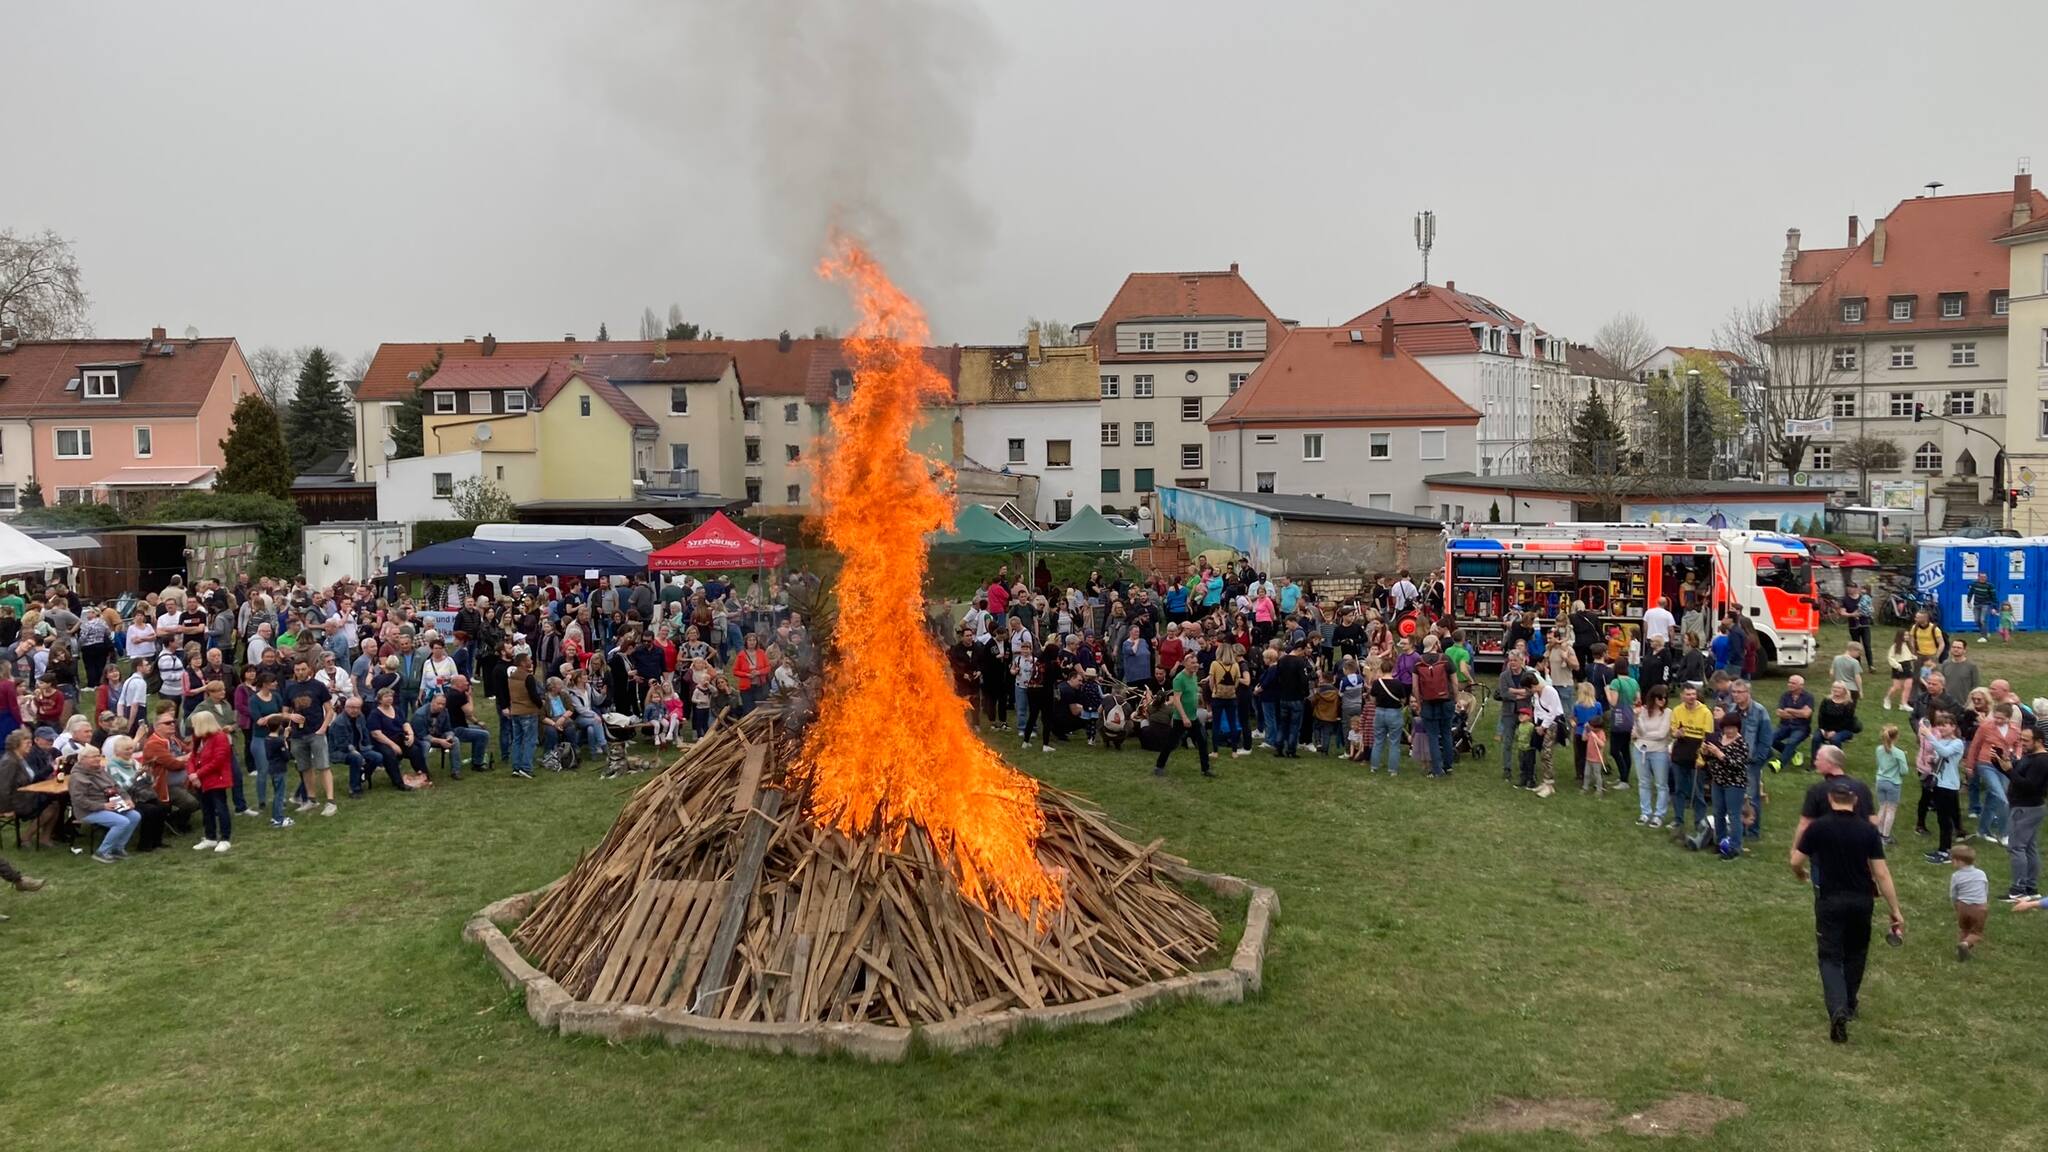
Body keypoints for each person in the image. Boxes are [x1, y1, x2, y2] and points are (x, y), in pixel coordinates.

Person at [1791, 777, 1903, 1044]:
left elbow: (1796, 859)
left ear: (1831, 800)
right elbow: (1881, 872)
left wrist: (1800, 873)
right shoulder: (1867, 831)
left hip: (1830, 900)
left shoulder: (1819, 827)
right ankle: (1850, 1004)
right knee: (1856, 953)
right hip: (1861, 901)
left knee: (1830, 958)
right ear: (1854, 802)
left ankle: (1837, 1007)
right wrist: (1895, 909)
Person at [69, 745, 141, 863]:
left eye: (99, 755)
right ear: (82, 759)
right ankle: (102, 851)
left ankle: (117, 848)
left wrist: (127, 799)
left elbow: (116, 786)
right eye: (94, 757)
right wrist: (103, 806)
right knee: (121, 822)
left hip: (110, 805)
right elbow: (79, 800)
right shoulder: (78, 777)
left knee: (134, 816)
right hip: (88, 810)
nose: (98, 759)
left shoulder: (100, 770)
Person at [283, 656, 336, 817]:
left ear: (309, 670)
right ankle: (311, 799)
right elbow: (284, 711)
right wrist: (290, 718)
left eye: (303, 669)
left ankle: (330, 801)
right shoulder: (290, 688)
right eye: (297, 670)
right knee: (305, 767)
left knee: (323, 766)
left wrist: (323, 728)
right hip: (298, 734)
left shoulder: (318, 686)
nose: (300, 672)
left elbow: (329, 709)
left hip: (316, 732)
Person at [2004, 720, 2048, 901]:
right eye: (2021, 739)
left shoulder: (2041, 761)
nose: (2022, 743)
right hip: (2028, 807)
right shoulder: (2031, 757)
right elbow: (2019, 775)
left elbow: (2030, 786)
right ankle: (2031, 888)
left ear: (2038, 741)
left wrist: (2009, 772)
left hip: (2026, 808)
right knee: (2029, 847)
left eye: (2026, 741)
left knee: (2017, 847)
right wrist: (2005, 765)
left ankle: (2019, 888)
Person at [1154, 652, 1212, 779]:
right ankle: (1159, 766)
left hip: (1193, 716)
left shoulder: (1194, 675)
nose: (1196, 665)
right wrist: (1184, 717)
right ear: (1185, 664)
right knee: (1171, 743)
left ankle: (1205, 769)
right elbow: (1176, 700)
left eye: (1196, 662)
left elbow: (1192, 692)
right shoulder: (1179, 679)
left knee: (1202, 741)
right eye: (1192, 663)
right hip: (1181, 718)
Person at [1919, 711, 1968, 863]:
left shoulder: (1957, 743)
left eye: (1944, 725)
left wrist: (1929, 735)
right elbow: (1940, 755)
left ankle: (1946, 852)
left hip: (1949, 785)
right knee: (1941, 818)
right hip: (1939, 783)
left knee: (1945, 820)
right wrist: (1932, 758)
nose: (1941, 728)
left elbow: (1945, 752)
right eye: (1939, 725)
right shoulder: (1942, 741)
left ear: (1953, 727)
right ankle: (1942, 849)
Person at [1702, 712, 1750, 857]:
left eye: (1732, 728)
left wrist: (1719, 754)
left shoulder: (1742, 744)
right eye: (1726, 728)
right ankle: (1721, 842)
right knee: (1718, 813)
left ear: (1738, 728)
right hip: (1718, 781)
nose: (1729, 731)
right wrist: (1706, 752)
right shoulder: (1718, 739)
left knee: (1733, 814)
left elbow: (1737, 765)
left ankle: (1735, 847)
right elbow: (1710, 759)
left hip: (1734, 784)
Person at [186, 709, 234, 854]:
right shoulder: (199, 738)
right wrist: (192, 774)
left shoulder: (220, 737)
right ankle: (210, 837)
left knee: (220, 808)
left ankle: (225, 839)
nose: (193, 727)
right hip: (201, 780)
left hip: (216, 779)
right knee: (206, 809)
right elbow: (192, 757)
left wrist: (197, 774)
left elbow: (218, 761)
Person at [1668, 683, 1713, 833]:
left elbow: (1708, 737)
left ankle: (1699, 821)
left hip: (1697, 758)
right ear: (1682, 696)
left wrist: (1702, 758)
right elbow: (1672, 730)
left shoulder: (1706, 713)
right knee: (1679, 790)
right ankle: (1678, 819)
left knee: (1698, 792)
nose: (1691, 697)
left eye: (1693, 694)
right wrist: (1676, 734)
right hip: (1680, 756)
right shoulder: (1677, 711)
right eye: (1688, 694)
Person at [1412, 636, 1455, 775]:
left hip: (1428, 703)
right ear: (1436, 644)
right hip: (1446, 700)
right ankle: (1448, 765)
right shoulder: (1446, 659)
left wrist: (1419, 703)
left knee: (1432, 736)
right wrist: (1456, 698)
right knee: (1447, 733)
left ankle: (1437, 769)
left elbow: (1415, 687)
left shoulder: (1418, 662)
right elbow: (1454, 682)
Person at [1633, 686, 1672, 826]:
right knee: (1643, 782)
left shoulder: (1667, 713)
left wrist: (1643, 736)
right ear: (1653, 698)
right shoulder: (1643, 711)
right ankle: (1645, 812)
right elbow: (1637, 730)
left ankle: (1659, 814)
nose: (1663, 700)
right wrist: (1637, 719)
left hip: (1659, 751)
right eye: (1660, 697)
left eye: (1665, 698)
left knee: (1661, 783)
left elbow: (1662, 734)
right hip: (1640, 749)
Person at [1766, 675, 1815, 772]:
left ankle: (1780, 763)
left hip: (1801, 727)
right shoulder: (1785, 695)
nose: (1790, 685)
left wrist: (1789, 710)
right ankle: (1793, 754)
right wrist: (1798, 713)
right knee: (1769, 739)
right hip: (1785, 725)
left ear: (1801, 685)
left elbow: (1806, 714)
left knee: (1791, 742)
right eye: (1789, 682)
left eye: (1793, 683)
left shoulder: (1808, 697)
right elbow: (1779, 713)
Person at [1949, 842, 1989, 960]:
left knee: (1964, 929)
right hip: (1979, 908)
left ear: (1959, 861)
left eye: (1953, 860)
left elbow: (1953, 894)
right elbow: (1985, 889)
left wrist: (1955, 904)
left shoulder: (1956, 876)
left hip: (1963, 906)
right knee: (1976, 933)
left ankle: (1961, 950)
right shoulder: (1981, 874)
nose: (1952, 862)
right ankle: (1965, 945)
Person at [1367, 658, 1406, 776]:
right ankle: (1392, 770)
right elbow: (1403, 699)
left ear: (1381, 669)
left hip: (1379, 712)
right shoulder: (1398, 683)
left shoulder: (1377, 683)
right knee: (1394, 742)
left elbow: (1372, 699)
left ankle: (1374, 766)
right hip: (1394, 712)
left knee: (1378, 741)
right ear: (1392, 669)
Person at [1873, 725, 1907, 844]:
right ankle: (1886, 836)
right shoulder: (1899, 753)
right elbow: (1904, 771)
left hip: (1880, 781)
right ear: (1896, 737)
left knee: (1882, 807)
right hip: (1893, 783)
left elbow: (1879, 763)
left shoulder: (1878, 749)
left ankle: (1878, 833)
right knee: (1891, 810)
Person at [1881, 630, 1916, 712]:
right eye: (1905, 635)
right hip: (1899, 667)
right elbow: (1890, 657)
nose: (1907, 637)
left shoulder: (1908, 645)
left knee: (1908, 686)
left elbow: (1907, 655)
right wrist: (1897, 665)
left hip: (1907, 666)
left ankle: (1904, 703)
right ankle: (1887, 699)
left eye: (1907, 635)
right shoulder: (1895, 646)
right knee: (1897, 687)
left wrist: (1913, 657)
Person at [1967, 570, 1998, 640]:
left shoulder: (1990, 586)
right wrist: (1968, 602)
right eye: (1981, 577)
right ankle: (1985, 632)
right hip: (1976, 604)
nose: (1983, 578)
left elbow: (1994, 597)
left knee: (1982, 620)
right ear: (1978, 577)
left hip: (1985, 604)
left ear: (1986, 578)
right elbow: (1970, 593)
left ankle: (1984, 637)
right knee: (1976, 620)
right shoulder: (1974, 584)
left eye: (1984, 577)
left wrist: (1994, 608)